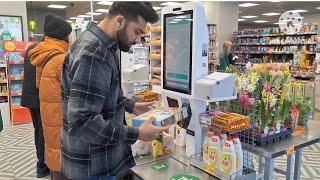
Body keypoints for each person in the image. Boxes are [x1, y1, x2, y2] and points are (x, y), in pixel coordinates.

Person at [61, 2, 168, 179]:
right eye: (137, 32)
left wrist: (130, 106)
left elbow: (96, 95)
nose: (138, 40)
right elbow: (83, 122)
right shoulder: (95, 53)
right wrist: (138, 133)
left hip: (93, 160)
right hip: (93, 166)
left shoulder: (98, 43)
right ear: (119, 21)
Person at [29, 15, 72, 180]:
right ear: (63, 35)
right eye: (69, 34)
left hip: (50, 117)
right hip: (61, 120)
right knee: (62, 163)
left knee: (55, 159)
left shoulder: (44, 54)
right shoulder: (60, 59)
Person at [21, 42, 50, 178]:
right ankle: (42, 165)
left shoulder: (32, 49)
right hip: (39, 97)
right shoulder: (46, 50)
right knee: (43, 131)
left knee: (38, 130)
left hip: (30, 96)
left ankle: (41, 163)